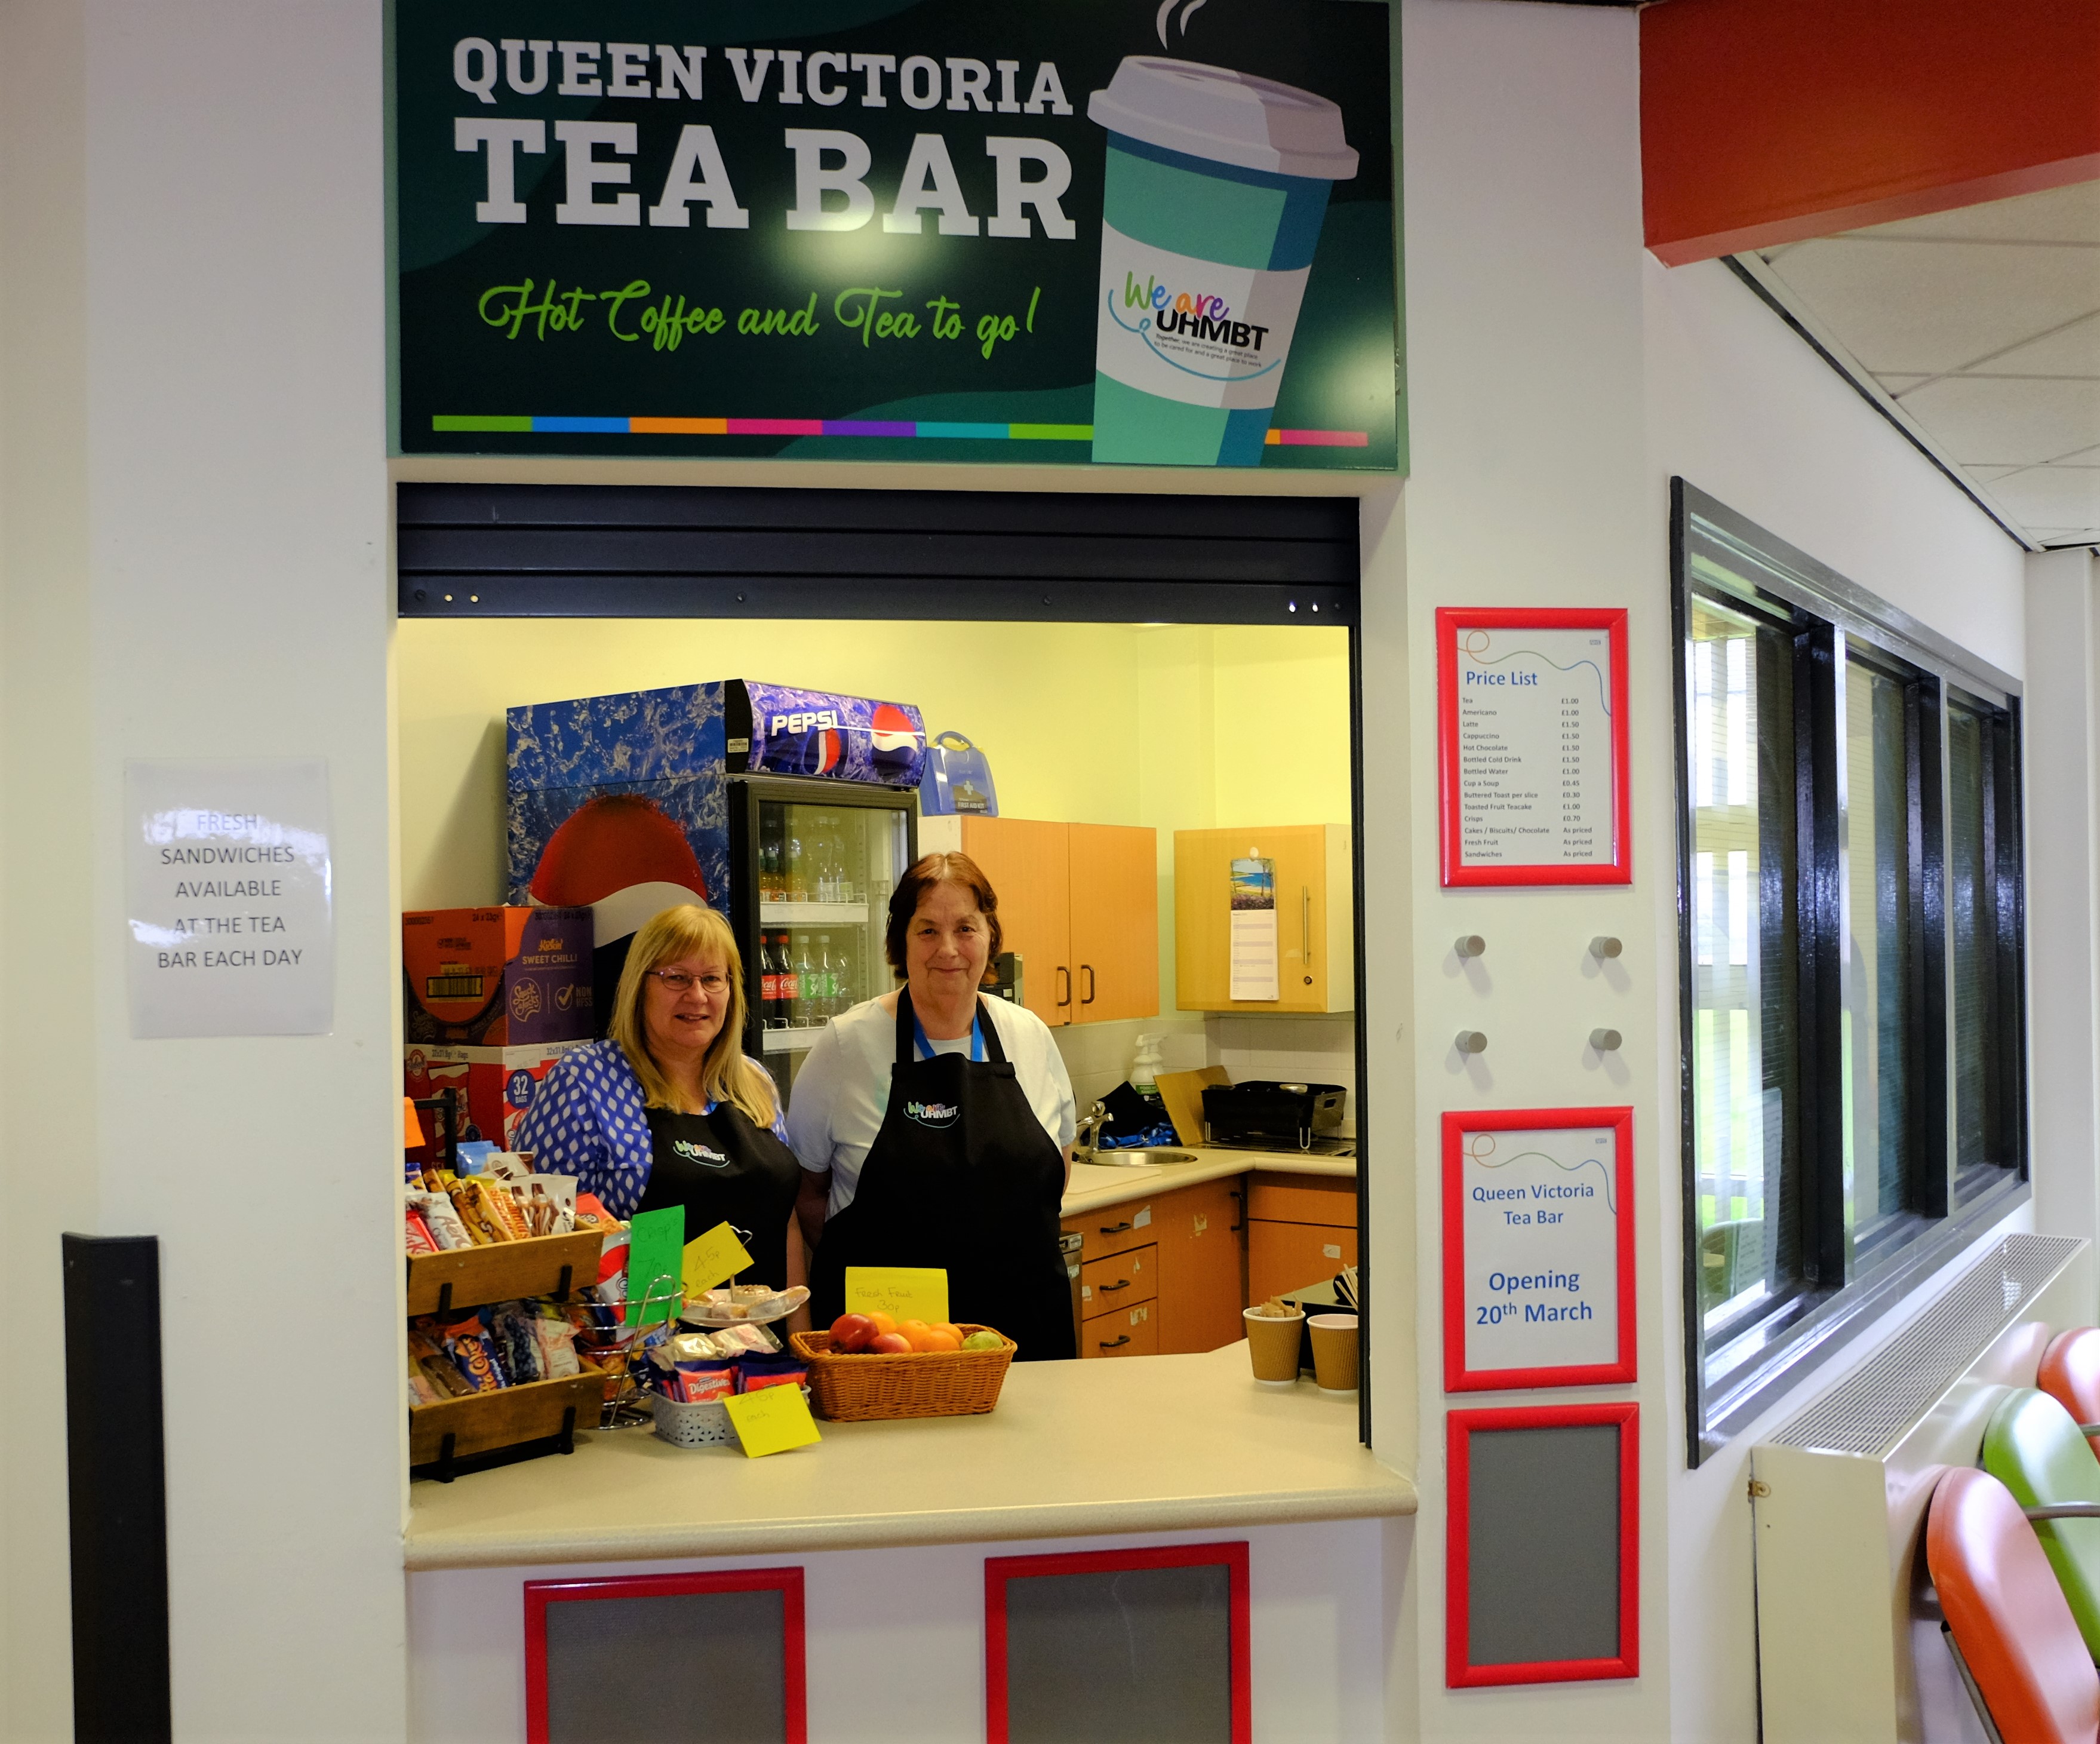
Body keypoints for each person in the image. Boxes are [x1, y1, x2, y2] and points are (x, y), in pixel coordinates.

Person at [788, 853, 1078, 1360]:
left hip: (1022, 1326)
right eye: (927, 930)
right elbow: (807, 1196)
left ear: (991, 937)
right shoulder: (845, 1046)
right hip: (890, 1340)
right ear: (900, 941)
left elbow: (1058, 1164)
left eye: (965, 928)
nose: (948, 950)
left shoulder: (1028, 1035)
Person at [514, 904, 803, 1300]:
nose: (697, 995)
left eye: (712, 979)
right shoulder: (584, 1080)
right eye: (677, 978)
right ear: (640, 985)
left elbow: (784, 1223)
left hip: (761, 1348)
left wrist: (800, 1339)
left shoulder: (753, 1081)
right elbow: (539, 1233)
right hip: (644, 1348)